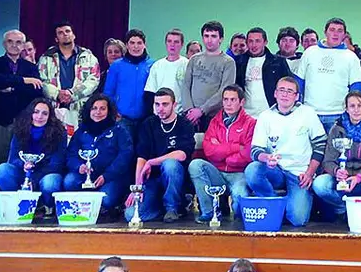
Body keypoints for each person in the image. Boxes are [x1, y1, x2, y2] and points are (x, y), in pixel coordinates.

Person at [245, 76, 326, 227]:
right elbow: (255, 150)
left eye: (290, 91)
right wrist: (267, 158)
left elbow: (320, 145)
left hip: (300, 174)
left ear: (297, 96)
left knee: (297, 219)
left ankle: (293, 202)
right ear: (275, 93)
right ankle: (274, 203)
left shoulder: (307, 113)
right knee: (252, 170)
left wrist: (309, 173)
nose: (285, 94)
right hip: (275, 170)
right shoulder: (265, 116)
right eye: (281, 90)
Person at [312, 91, 361, 220]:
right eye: (352, 106)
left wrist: (360, 177)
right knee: (319, 184)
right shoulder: (336, 129)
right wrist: (336, 171)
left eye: (359, 106)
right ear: (346, 109)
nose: (356, 110)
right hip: (341, 180)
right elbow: (328, 160)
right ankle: (342, 207)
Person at [124, 88, 195, 223]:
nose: (160, 109)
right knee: (131, 215)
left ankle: (172, 208)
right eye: (157, 104)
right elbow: (141, 157)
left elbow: (181, 155)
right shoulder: (149, 124)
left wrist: (152, 162)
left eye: (165, 104)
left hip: (176, 180)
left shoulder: (184, 124)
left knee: (170, 164)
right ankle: (164, 210)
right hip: (152, 180)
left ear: (174, 105)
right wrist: (137, 188)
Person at [0, 30, 43, 193]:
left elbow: (35, 92)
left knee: (22, 162)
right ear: (4, 44)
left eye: (18, 42)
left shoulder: (31, 67)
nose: (14, 45)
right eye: (10, 41)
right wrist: (23, 81)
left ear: (24, 45)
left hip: (24, 122)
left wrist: (10, 87)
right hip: (0, 120)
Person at [188, 85, 254, 224]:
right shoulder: (214, 122)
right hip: (217, 172)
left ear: (241, 102)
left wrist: (224, 154)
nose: (228, 103)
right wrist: (236, 147)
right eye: (225, 100)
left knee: (239, 206)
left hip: (239, 174)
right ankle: (208, 213)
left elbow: (248, 154)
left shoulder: (251, 123)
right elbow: (209, 151)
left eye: (233, 99)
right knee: (196, 165)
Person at [64, 94, 134, 216]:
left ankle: (109, 207)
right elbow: (71, 154)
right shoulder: (81, 131)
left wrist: (106, 176)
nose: (98, 112)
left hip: (110, 178)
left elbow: (125, 156)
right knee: (69, 181)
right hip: (84, 176)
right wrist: (79, 167)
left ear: (109, 111)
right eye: (94, 108)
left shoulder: (119, 130)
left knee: (107, 200)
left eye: (102, 108)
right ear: (89, 110)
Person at [0, 98, 66, 214]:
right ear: (30, 113)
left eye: (44, 113)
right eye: (36, 112)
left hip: (47, 173)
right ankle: (18, 204)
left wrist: (32, 178)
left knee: (50, 183)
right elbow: (13, 159)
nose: (40, 116)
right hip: (23, 172)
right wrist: (24, 166)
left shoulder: (59, 133)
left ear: (50, 116)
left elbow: (57, 163)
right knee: (2, 170)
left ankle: (46, 206)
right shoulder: (19, 130)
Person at [296, 17, 361, 133]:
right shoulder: (310, 53)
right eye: (332, 29)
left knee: (338, 150)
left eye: (339, 30)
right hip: (310, 112)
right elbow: (298, 82)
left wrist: (353, 112)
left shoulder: (351, 57)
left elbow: (356, 89)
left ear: (344, 35)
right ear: (325, 32)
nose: (335, 33)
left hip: (338, 114)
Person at [38, 21, 100, 129]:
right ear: (56, 39)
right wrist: (58, 94)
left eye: (68, 31)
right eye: (60, 32)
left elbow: (94, 79)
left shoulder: (88, 56)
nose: (65, 34)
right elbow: (41, 81)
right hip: (54, 107)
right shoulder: (46, 58)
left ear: (74, 35)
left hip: (80, 107)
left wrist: (72, 93)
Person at [182, 21, 237, 132]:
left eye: (213, 36)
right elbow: (186, 85)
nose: (209, 40)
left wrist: (201, 111)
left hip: (214, 116)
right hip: (191, 116)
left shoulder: (228, 62)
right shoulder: (194, 59)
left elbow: (224, 91)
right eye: (206, 36)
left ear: (221, 39)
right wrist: (190, 110)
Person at [104, 29, 154, 143]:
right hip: (122, 118)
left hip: (146, 119)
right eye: (132, 43)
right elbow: (108, 92)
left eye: (139, 43)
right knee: (125, 151)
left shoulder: (153, 65)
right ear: (127, 45)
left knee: (143, 152)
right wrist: (113, 112)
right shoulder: (117, 66)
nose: (136, 46)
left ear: (144, 45)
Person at [235, 28, 292, 118]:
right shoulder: (239, 62)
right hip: (245, 115)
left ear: (265, 42)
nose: (254, 45)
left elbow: (289, 86)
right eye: (250, 41)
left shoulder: (278, 62)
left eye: (258, 41)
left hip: (271, 114)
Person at [145, 29, 188, 112]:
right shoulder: (157, 65)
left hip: (180, 113)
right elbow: (150, 91)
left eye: (176, 42)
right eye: (169, 41)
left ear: (182, 44)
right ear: (166, 43)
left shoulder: (187, 64)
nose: (172, 45)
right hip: (159, 113)